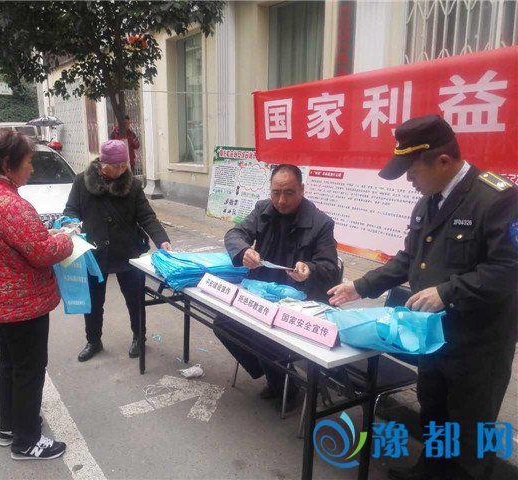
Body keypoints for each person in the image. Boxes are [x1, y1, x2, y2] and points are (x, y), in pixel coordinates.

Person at [328, 114, 518, 480]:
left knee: (469, 431)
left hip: (479, 345)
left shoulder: (497, 199)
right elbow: (408, 258)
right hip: (431, 335)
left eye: (412, 171)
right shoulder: (429, 201)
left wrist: (448, 292)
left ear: (443, 161)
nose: (409, 180)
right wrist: (360, 286)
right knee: (433, 413)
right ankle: (429, 473)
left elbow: (509, 268)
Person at [0, 129, 73, 460]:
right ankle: (26, 442)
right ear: (8, 164)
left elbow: (17, 242)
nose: (32, 169)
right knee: (29, 370)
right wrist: (66, 238)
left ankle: (9, 427)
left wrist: (47, 233)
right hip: (22, 304)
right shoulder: (10, 204)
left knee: (12, 365)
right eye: (28, 162)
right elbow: (42, 253)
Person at [214, 164, 339, 407]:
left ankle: (285, 387)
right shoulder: (263, 209)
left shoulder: (321, 223)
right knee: (223, 324)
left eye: (289, 193)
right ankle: (274, 374)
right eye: (276, 193)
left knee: (264, 335)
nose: (281, 200)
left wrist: (309, 269)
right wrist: (244, 250)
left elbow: (330, 268)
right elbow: (234, 234)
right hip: (262, 290)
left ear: (302, 190)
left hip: (297, 298)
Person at [64, 139, 171, 362]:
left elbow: (147, 217)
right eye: (116, 166)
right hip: (94, 253)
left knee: (135, 299)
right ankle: (93, 341)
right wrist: (72, 223)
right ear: (103, 164)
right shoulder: (82, 182)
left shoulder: (133, 185)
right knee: (94, 302)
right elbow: (71, 209)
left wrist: (162, 241)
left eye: (124, 165)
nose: (121, 170)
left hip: (127, 252)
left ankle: (139, 337)